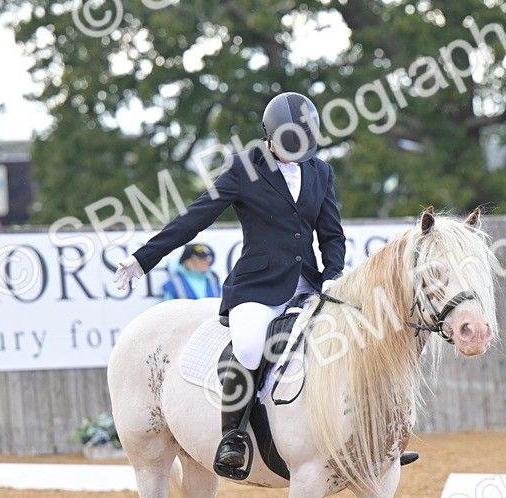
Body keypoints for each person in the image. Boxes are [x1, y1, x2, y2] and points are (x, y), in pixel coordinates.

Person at [113, 91, 345, 476]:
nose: (295, 154)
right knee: (252, 348)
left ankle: (363, 443)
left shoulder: (320, 171)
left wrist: (333, 276)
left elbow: (331, 234)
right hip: (258, 287)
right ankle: (233, 437)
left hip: (309, 285)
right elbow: (195, 217)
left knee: (346, 343)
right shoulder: (245, 169)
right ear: (269, 136)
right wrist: (143, 259)